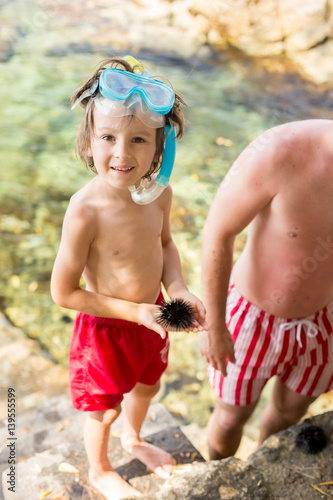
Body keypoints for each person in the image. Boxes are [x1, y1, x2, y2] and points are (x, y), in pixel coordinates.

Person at [51, 55, 206, 500]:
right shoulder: (84, 210)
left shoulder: (160, 195)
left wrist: (178, 289)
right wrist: (133, 311)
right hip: (107, 330)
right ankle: (99, 469)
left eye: (139, 139)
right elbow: (63, 293)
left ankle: (134, 440)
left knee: (147, 386)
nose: (122, 153)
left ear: (161, 147)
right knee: (103, 409)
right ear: (89, 141)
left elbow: (165, 246)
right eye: (108, 137)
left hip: (153, 317)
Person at [200, 119, 333, 460]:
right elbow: (218, 231)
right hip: (251, 319)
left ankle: (263, 466)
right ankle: (220, 480)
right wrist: (214, 325)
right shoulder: (280, 150)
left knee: (290, 415)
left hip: (324, 321)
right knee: (230, 418)